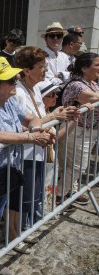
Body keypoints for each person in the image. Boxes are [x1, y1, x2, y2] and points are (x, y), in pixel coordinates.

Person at [0, 56, 54, 268]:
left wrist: (37, 127)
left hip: (5, 170)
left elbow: (31, 119)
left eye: (15, 78)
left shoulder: (9, 101)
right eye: (10, 80)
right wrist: (31, 137)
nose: (15, 82)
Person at [12, 47, 78, 252]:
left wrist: (57, 112)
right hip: (25, 153)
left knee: (32, 194)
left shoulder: (33, 89)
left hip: (37, 150)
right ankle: (15, 237)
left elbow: (41, 117)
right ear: (26, 70)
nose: (44, 71)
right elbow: (19, 125)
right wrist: (53, 117)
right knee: (22, 196)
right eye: (40, 67)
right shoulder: (18, 92)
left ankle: (23, 230)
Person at [58, 52, 99, 205]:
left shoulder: (93, 83)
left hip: (87, 132)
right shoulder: (76, 85)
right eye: (97, 65)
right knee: (77, 167)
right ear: (84, 68)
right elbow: (94, 98)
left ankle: (70, 192)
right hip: (76, 131)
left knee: (70, 166)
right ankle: (57, 197)